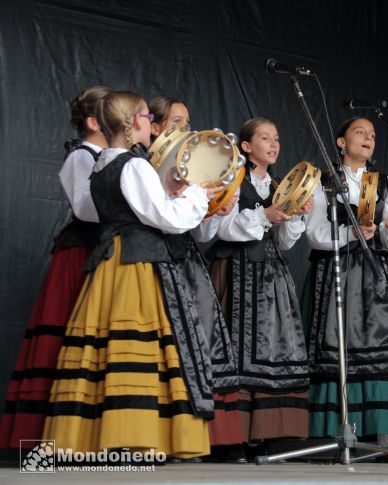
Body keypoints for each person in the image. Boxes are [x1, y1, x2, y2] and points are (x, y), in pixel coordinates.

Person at [42, 90, 223, 459]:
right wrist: (198, 196)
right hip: (137, 263)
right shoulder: (134, 164)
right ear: (134, 122)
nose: (149, 123)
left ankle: (93, 437)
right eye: (144, 116)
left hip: (110, 261)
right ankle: (137, 435)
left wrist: (170, 190)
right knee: (141, 344)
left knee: (101, 348)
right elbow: (168, 219)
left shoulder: (101, 164)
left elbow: (137, 205)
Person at [305, 117, 388, 454]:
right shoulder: (325, 181)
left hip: (377, 276)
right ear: (340, 142)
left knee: (387, 350)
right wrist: (353, 232)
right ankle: (347, 434)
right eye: (359, 132)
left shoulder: (382, 183)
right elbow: (316, 235)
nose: (368, 138)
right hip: (336, 273)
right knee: (342, 351)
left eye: (373, 134)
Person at [0, 86, 109, 448]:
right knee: (67, 333)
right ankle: (51, 436)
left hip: (103, 249)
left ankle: (92, 432)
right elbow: (85, 208)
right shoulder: (82, 156)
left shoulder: (113, 156)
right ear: (94, 122)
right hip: (81, 252)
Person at [204, 117, 312, 462]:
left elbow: (285, 241)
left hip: (270, 276)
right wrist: (264, 214)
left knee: (272, 351)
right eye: (265, 137)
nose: (274, 143)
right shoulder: (234, 178)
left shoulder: (280, 185)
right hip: (235, 270)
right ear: (247, 146)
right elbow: (221, 227)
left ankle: (266, 434)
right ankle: (229, 437)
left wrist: (294, 215)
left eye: (277, 138)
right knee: (233, 350)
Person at [147, 96, 238, 463]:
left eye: (187, 123)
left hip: (185, 260)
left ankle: (188, 435)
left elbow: (199, 234)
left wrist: (215, 210)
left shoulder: (191, 163)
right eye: (176, 122)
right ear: (155, 126)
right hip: (153, 258)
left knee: (196, 343)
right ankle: (154, 433)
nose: (183, 130)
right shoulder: (143, 164)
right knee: (161, 346)